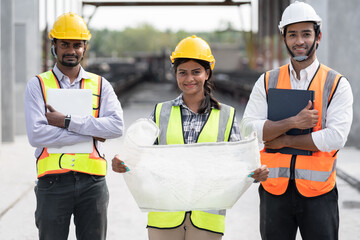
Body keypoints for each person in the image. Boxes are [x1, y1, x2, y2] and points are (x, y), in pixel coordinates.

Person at [112, 35, 269, 240]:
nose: (189, 79)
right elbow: (139, 157)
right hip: (164, 216)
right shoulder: (160, 113)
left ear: (207, 73)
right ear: (175, 74)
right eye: (182, 72)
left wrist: (256, 173)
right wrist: (123, 163)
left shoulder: (226, 116)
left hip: (207, 217)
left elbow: (240, 165)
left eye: (196, 72)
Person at [241, 2, 353, 240]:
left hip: (319, 193)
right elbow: (248, 129)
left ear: (318, 36)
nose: (299, 41)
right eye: (292, 34)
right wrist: (293, 121)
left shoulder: (336, 84)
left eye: (306, 34)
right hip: (274, 191)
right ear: (284, 38)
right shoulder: (267, 81)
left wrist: (281, 141)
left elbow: (335, 137)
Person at [24, 12, 124, 240]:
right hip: (52, 183)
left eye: (77, 45)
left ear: (84, 47)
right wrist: (92, 132)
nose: (71, 50)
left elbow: (116, 127)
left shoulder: (101, 85)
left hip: (93, 184)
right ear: (54, 46)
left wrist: (67, 121)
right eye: (64, 44)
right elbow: (36, 135)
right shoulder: (37, 85)